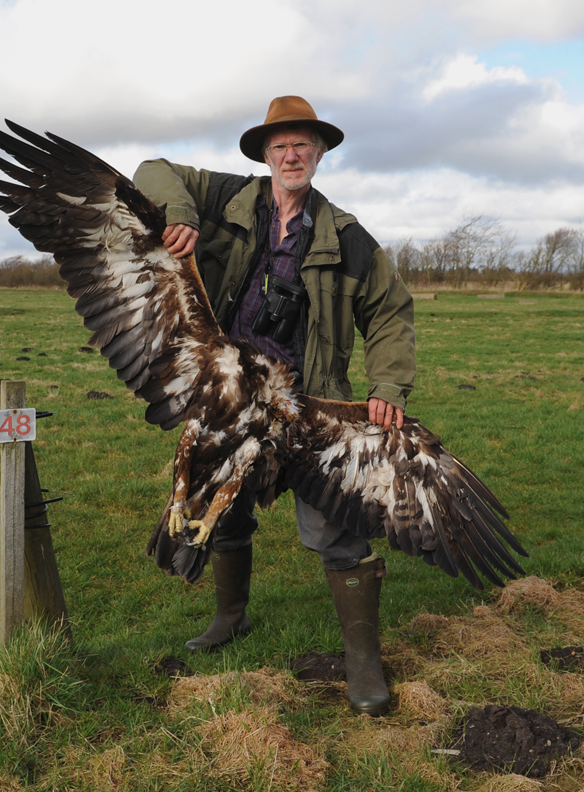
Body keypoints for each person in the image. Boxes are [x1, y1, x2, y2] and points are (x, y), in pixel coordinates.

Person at [133, 96, 415, 716]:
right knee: (224, 511)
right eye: (281, 145)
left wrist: (386, 388)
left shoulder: (350, 240)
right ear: (266, 154)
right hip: (230, 394)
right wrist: (179, 214)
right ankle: (229, 616)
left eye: (304, 146)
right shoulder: (227, 199)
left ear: (319, 155)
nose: (292, 155)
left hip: (302, 406)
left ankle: (362, 659)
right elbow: (151, 168)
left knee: (337, 528)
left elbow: (391, 314)